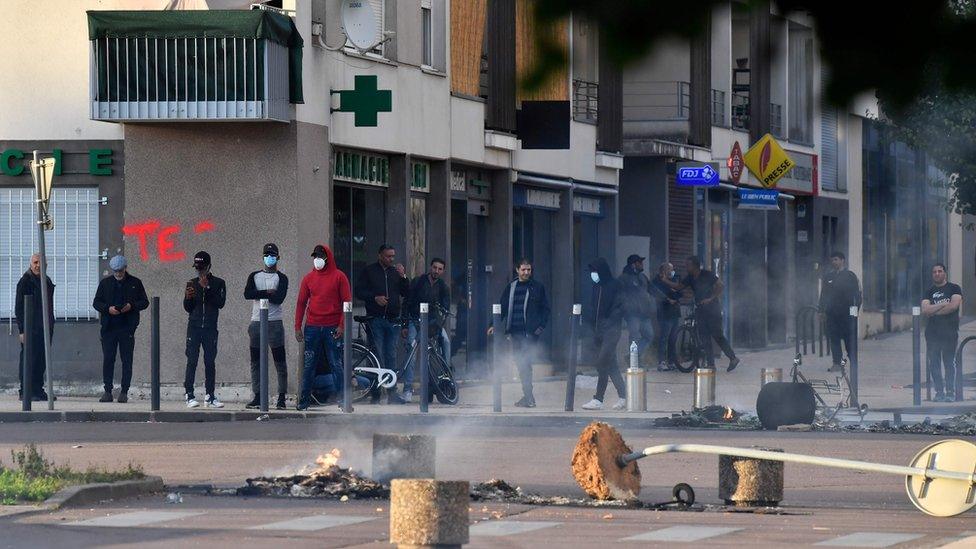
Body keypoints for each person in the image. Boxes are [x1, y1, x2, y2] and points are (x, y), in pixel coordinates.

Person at [295, 244, 352, 411]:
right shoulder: (308, 278)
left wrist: (342, 325)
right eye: (315, 257)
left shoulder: (339, 277)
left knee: (336, 364)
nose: (317, 260)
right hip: (312, 327)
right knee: (309, 365)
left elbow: (346, 303)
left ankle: (344, 400)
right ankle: (304, 401)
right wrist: (297, 326)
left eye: (320, 257)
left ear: (328, 258)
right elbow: (301, 303)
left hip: (332, 327)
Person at [488, 258, 550, 408]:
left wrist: (539, 328)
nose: (526, 272)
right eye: (523, 269)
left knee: (525, 364)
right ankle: (528, 397)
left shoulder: (537, 287)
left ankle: (529, 397)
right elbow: (502, 306)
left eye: (528, 270)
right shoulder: (511, 287)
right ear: (517, 270)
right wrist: (493, 324)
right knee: (521, 364)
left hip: (529, 333)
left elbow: (545, 310)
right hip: (514, 332)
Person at [661, 256, 740, 372]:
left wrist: (710, 298)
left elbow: (720, 285)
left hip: (712, 309)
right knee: (704, 336)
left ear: (694, 266)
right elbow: (679, 287)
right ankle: (711, 364)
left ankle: (733, 358)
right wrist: (665, 281)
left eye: (688, 265)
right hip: (700, 309)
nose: (686, 267)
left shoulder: (707, 274)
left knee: (717, 335)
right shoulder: (690, 278)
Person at [355, 244, 410, 405]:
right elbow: (359, 291)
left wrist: (404, 277)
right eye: (388, 256)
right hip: (375, 319)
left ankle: (392, 393)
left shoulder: (395, 272)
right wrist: (374, 298)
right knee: (376, 356)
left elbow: (406, 293)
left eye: (393, 256)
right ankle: (375, 393)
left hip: (392, 320)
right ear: (380, 256)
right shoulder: (369, 271)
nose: (391, 259)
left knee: (391, 356)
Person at [92, 255, 148, 403]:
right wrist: (108, 309)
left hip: (127, 328)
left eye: (120, 271)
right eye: (116, 271)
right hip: (109, 327)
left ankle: (124, 391)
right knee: (108, 359)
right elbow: (96, 302)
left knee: (127, 360)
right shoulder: (105, 283)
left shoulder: (135, 283)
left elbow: (145, 302)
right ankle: (108, 391)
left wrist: (131, 306)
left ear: (125, 268)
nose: (118, 274)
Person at [243, 243, 289, 410]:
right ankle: (258, 395)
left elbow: (279, 298)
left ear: (278, 257)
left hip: (275, 322)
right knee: (255, 361)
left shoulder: (282, 278)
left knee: (279, 361)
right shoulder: (254, 276)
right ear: (263, 256)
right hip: (256, 321)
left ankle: (282, 396)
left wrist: (264, 294)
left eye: (273, 255)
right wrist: (267, 293)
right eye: (267, 254)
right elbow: (248, 294)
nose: (270, 257)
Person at [581, 258, 627, 411]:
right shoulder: (596, 287)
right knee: (611, 365)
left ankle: (598, 399)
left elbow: (620, 307)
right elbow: (594, 308)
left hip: (612, 330)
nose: (593, 275)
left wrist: (610, 320)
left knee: (602, 363)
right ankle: (624, 396)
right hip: (598, 330)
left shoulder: (615, 285)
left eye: (595, 271)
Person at [403, 257, 452, 402]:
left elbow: (446, 308)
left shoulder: (444, 287)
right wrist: (405, 324)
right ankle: (407, 389)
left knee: (446, 342)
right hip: (415, 320)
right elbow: (407, 302)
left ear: (443, 271)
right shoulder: (418, 282)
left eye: (440, 269)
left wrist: (438, 324)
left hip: (433, 323)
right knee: (411, 354)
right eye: (434, 267)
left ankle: (445, 375)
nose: (436, 271)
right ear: (430, 267)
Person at [183, 251, 227, 409]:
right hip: (194, 327)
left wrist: (206, 288)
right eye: (197, 268)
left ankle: (210, 395)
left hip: (210, 327)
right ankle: (189, 394)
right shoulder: (191, 283)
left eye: (202, 268)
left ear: (209, 266)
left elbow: (220, 303)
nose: (199, 271)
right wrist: (188, 298)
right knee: (192, 360)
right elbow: (187, 308)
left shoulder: (219, 283)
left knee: (210, 362)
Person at [14, 253, 55, 401]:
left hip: (45, 327)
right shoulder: (25, 282)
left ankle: (38, 389)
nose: (38, 265)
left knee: (42, 359)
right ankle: (25, 391)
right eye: (35, 262)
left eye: (41, 263)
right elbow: (19, 308)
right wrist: (22, 330)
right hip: (30, 327)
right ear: (31, 264)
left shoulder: (47, 281)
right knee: (29, 358)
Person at [921, 263, 963, 402]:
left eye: (940, 271)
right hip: (932, 333)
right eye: (934, 272)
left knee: (949, 363)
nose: (937, 274)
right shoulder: (928, 291)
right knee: (934, 363)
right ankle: (939, 392)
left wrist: (934, 310)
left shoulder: (954, 288)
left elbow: (953, 306)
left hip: (949, 332)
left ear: (945, 273)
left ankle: (950, 392)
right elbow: (925, 310)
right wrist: (942, 304)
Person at [818, 251, 861, 372]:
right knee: (834, 338)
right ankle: (837, 363)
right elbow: (824, 295)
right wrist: (821, 310)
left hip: (847, 314)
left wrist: (855, 311)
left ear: (842, 260)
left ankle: (854, 362)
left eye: (836, 259)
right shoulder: (828, 277)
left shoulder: (850, 276)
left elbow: (857, 295)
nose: (834, 262)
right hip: (832, 314)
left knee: (849, 339)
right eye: (832, 260)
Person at [617, 254, 655, 364]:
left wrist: (667, 297)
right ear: (633, 264)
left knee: (649, 335)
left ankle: (633, 356)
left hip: (644, 314)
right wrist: (625, 308)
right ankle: (634, 361)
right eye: (640, 262)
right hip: (632, 314)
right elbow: (619, 295)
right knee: (634, 336)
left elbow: (652, 289)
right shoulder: (624, 278)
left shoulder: (643, 277)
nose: (642, 264)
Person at [650, 262, 681, 371]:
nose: (672, 271)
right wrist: (668, 298)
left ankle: (671, 361)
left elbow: (679, 292)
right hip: (664, 313)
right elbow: (656, 293)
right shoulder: (657, 281)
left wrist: (674, 294)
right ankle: (661, 361)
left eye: (672, 269)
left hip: (675, 313)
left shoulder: (674, 280)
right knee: (664, 338)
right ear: (663, 270)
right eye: (669, 269)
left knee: (673, 339)